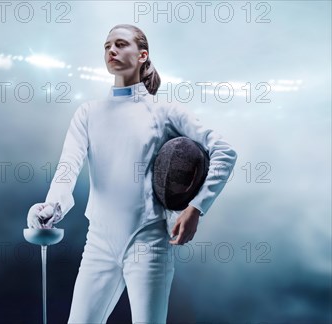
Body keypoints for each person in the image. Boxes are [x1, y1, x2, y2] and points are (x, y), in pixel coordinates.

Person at [27, 24, 237, 323]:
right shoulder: (89, 112)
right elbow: (68, 167)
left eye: (121, 44)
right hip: (98, 241)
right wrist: (51, 207)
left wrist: (196, 208)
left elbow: (225, 151)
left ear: (142, 55)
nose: (111, 50)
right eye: (107, 45)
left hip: (148, 243)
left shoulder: (164, 111)